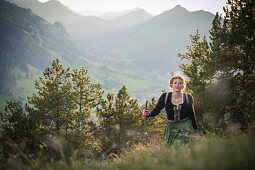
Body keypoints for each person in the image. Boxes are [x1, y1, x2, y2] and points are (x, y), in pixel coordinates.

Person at [143, 74, 199, 147]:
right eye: (175, 83)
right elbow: (156, 110)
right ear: (171, 85)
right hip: (171, 128)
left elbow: (191, 114)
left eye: (180, 83)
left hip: (185, 127)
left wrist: (195, 130)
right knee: (168, 148)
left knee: (177, 146)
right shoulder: (165, 97)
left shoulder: (188, 98)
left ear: (183, 85)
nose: (177, 85)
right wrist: (149, 114)